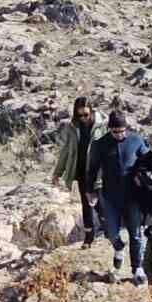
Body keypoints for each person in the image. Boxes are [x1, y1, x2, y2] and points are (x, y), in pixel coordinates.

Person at [84, 110, 151, 284]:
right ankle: (118, 247)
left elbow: (149, 161)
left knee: (136, 233)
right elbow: (92, 169)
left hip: (133, 196)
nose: (119, 135)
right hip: (110, 196)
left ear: (126, 128)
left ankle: (137, 268)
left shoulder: (136, 140)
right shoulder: (100, 144)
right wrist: (89, 190)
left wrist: (145, 177)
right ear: (109, 130)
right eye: (115, 132)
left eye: (122, 131)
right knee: (111, 231)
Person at [50, 96, 106, 250]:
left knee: (101, 203)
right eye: (79, 115)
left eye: (86, 115)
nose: (83, 118)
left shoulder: (101, 126)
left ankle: (109, 231)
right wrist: (57, 172)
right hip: (80, 170)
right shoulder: (72, 127)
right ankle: (89, 237)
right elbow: (66, 150)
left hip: (97, 171)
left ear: (92, 111)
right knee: (86, 204)